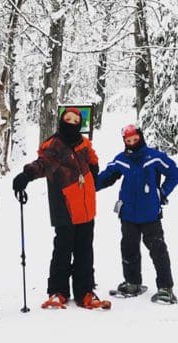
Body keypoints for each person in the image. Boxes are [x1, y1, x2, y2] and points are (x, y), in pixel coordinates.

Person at [11, 106, 110, 310]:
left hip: (86, 207)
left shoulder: (84, 144)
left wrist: (91, 177)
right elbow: (43, 163)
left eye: (75, 120)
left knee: (85, 251)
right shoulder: (55, 145)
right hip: (64, 206)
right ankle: (58, 291)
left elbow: (93, 162)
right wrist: (26, 175)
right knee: (63, 250)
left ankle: (85, 292)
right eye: (68, 118)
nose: (71, 122)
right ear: (61, 120)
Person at [96, 123, 178, 304]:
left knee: (157, 250)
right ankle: (133, 282)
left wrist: (162, 192)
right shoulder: (122, 159)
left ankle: (165, 288)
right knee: (128, 248)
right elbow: (106, 177)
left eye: (135, 139)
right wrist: (88, 186)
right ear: (124, 141)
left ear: (140, 138)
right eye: (128, 140)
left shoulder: (154, 157)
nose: (132, 142)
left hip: (150, 214)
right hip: (128, 214)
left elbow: (174, 172)